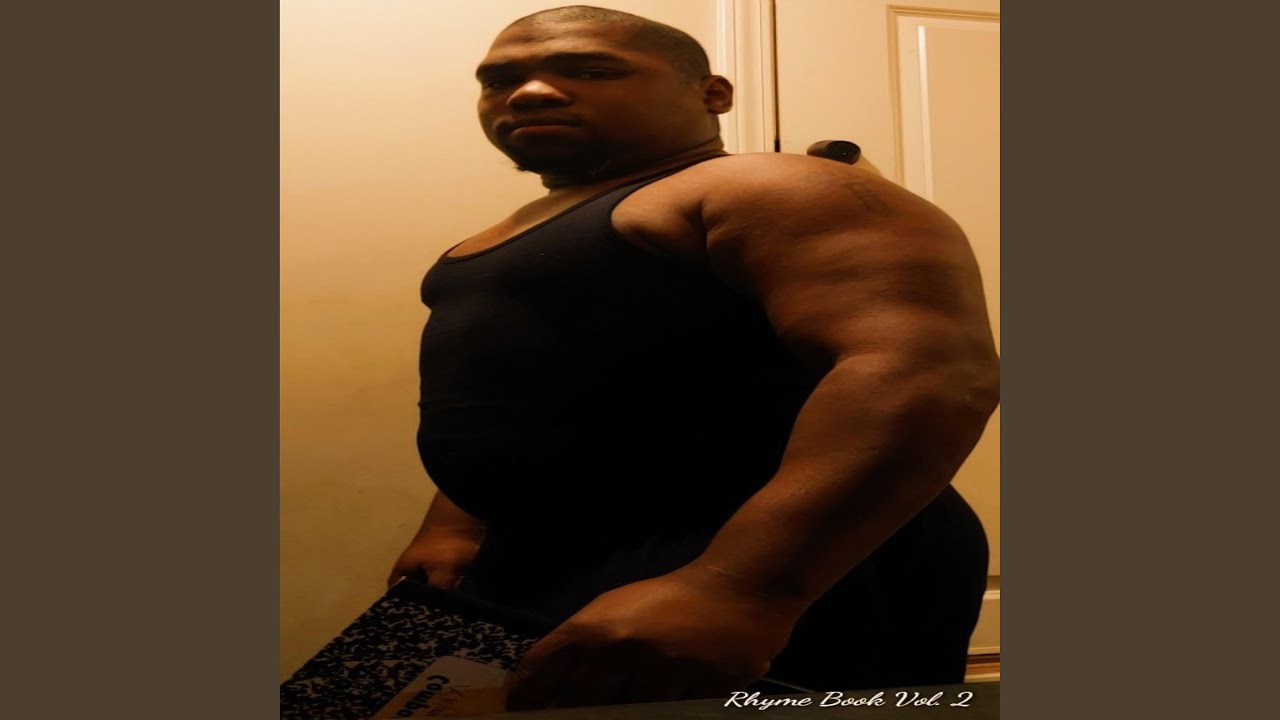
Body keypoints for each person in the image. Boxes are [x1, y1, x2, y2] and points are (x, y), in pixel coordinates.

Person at [388, 5, 999, 710]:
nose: (529, 93)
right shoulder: (517, 231)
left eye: (590, 70)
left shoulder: (776, 187)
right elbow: (532, 392)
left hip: (760, 558)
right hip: (547, 557)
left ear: (714, 94)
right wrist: (457, 522)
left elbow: (928, 374)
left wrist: (741, 589)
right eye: (500, 80)